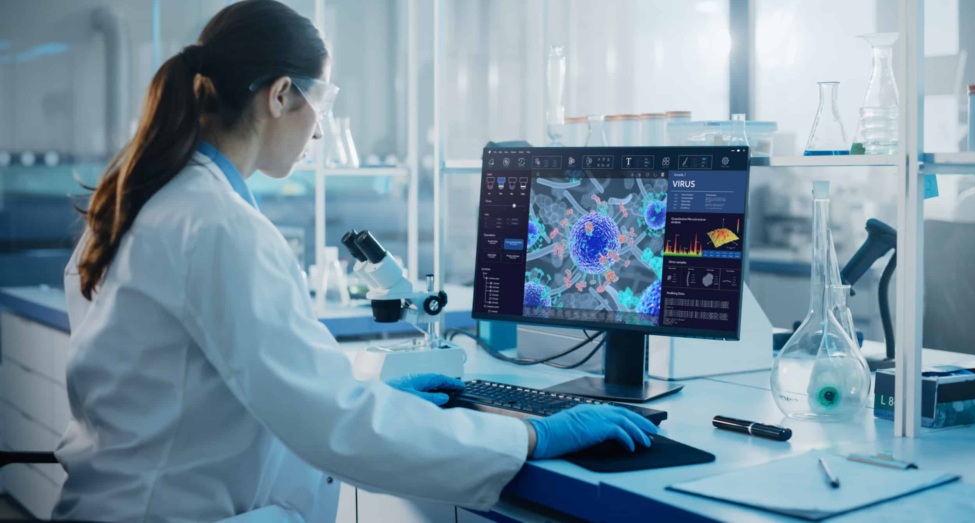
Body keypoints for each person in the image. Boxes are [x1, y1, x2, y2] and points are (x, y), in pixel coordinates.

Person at [54, 1, 657, 521]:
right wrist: (530, 433)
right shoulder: (218, 226)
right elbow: (336, 426)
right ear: (280, 95)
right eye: (323, 101)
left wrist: (385, 401)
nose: (321, 130)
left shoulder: (140, 200)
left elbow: (238, 391)